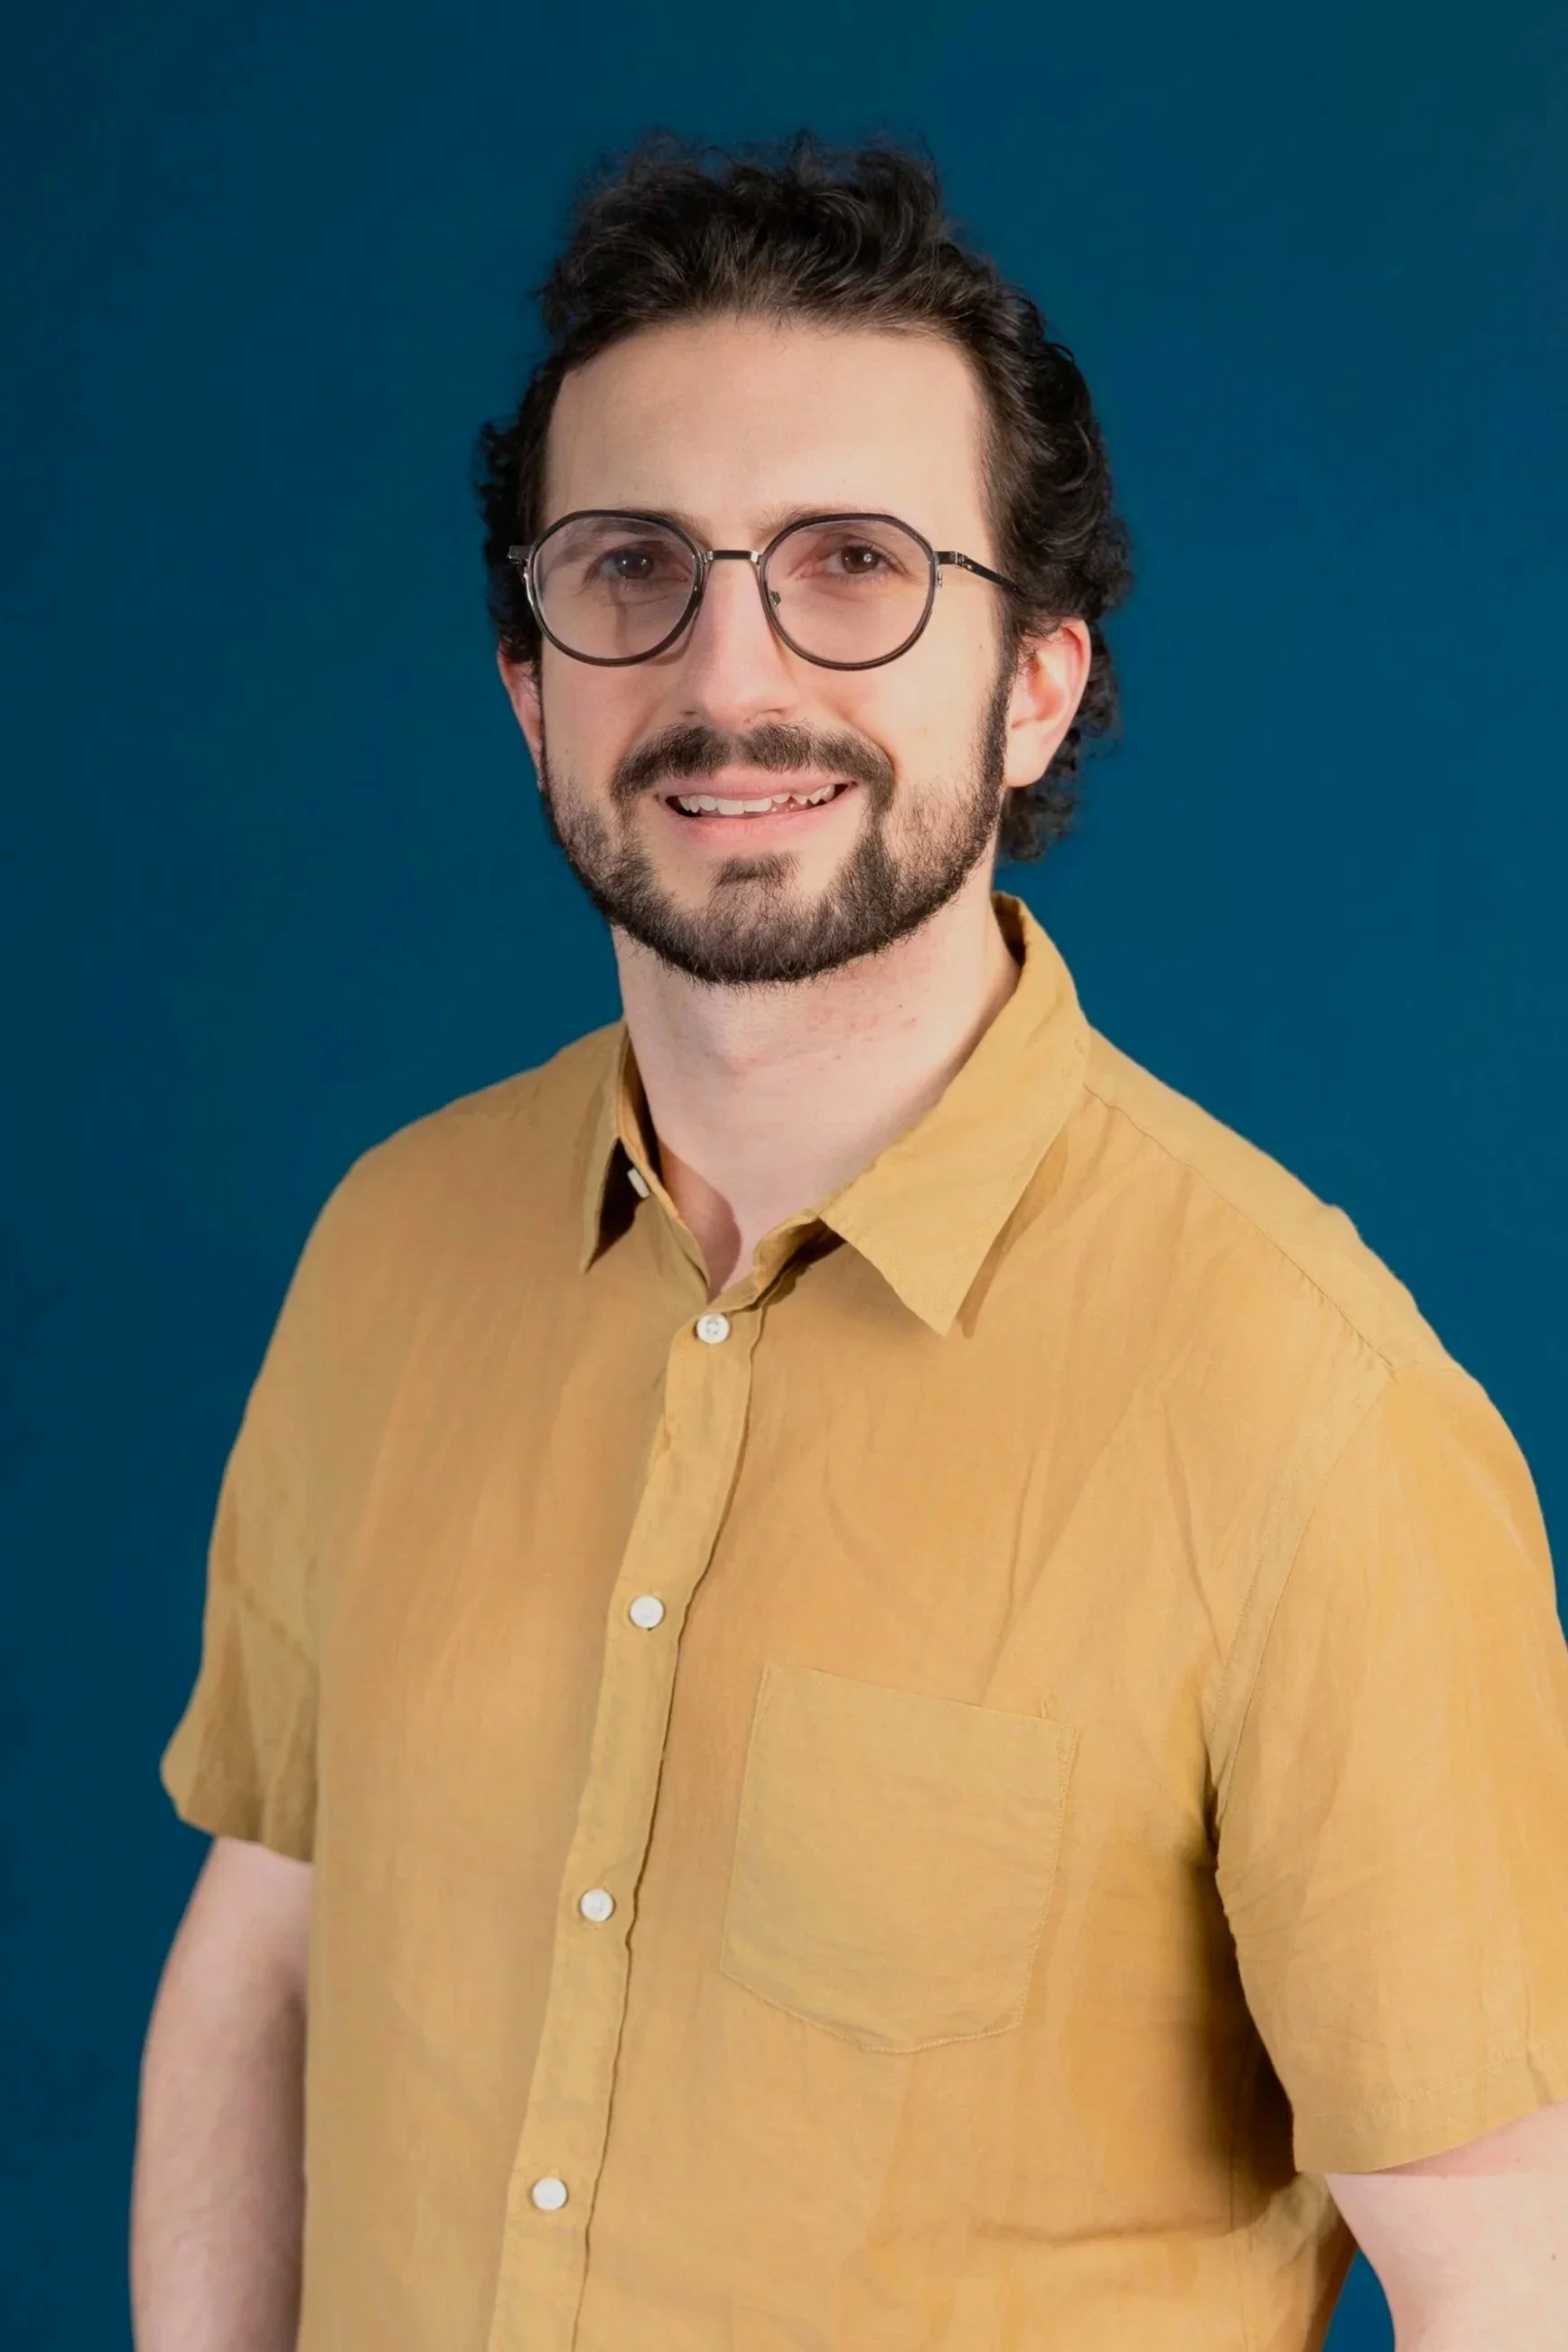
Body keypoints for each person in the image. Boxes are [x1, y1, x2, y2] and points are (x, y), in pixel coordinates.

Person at [131, 139, 1568, 2352]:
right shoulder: (392, 1250)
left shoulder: (1315, 1427)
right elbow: (271, 1940)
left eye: (852, 567)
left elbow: (1506, 2276)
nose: (732, 671)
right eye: (630, 570)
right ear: (531, 684)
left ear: (1037, 683)